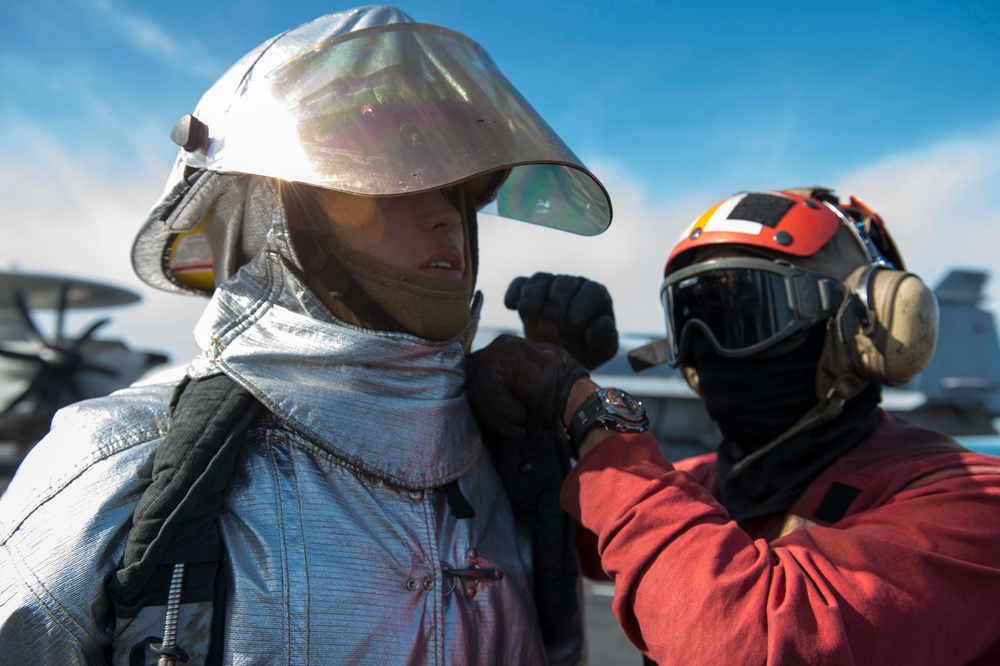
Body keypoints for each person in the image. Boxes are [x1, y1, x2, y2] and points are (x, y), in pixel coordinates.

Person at [0, 6, 616, 664]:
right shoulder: (118, 466)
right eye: (389, 180)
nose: (445, 214)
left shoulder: (511, 456)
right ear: (283, 220)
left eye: (460, 191)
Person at [468, 187, 1000, 664]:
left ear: (859, 329)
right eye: (689, 317)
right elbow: (580, 544)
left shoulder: (972, 502)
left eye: (743, 314)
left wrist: (587, 410)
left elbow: (745, 640)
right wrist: (539, 430)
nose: (704, 347)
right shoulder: (705, 486)